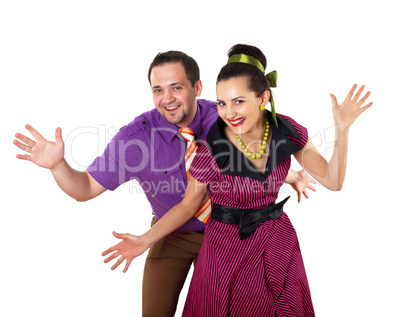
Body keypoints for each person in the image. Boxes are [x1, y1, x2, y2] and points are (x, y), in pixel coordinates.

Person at [13, 50, 315, 317]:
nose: (167, 98)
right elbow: (85, 189)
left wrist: (290, 173)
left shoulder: (224, 116)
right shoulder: (136, 137)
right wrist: (58, 166)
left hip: (232, 234)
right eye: (158, 90)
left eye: (176, 87)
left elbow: (254, 153)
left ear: (197, 88)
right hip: (172, 231)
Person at [101, 44, 372, 316]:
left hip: (277, 241)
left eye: (238, 101)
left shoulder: (286, 131)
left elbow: (333, 181)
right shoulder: (212, 149)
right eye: (222, 103)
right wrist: (145, 240)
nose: (229, 113)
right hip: (227, 248)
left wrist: (342, 129)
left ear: (263, 97)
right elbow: (187, 206)